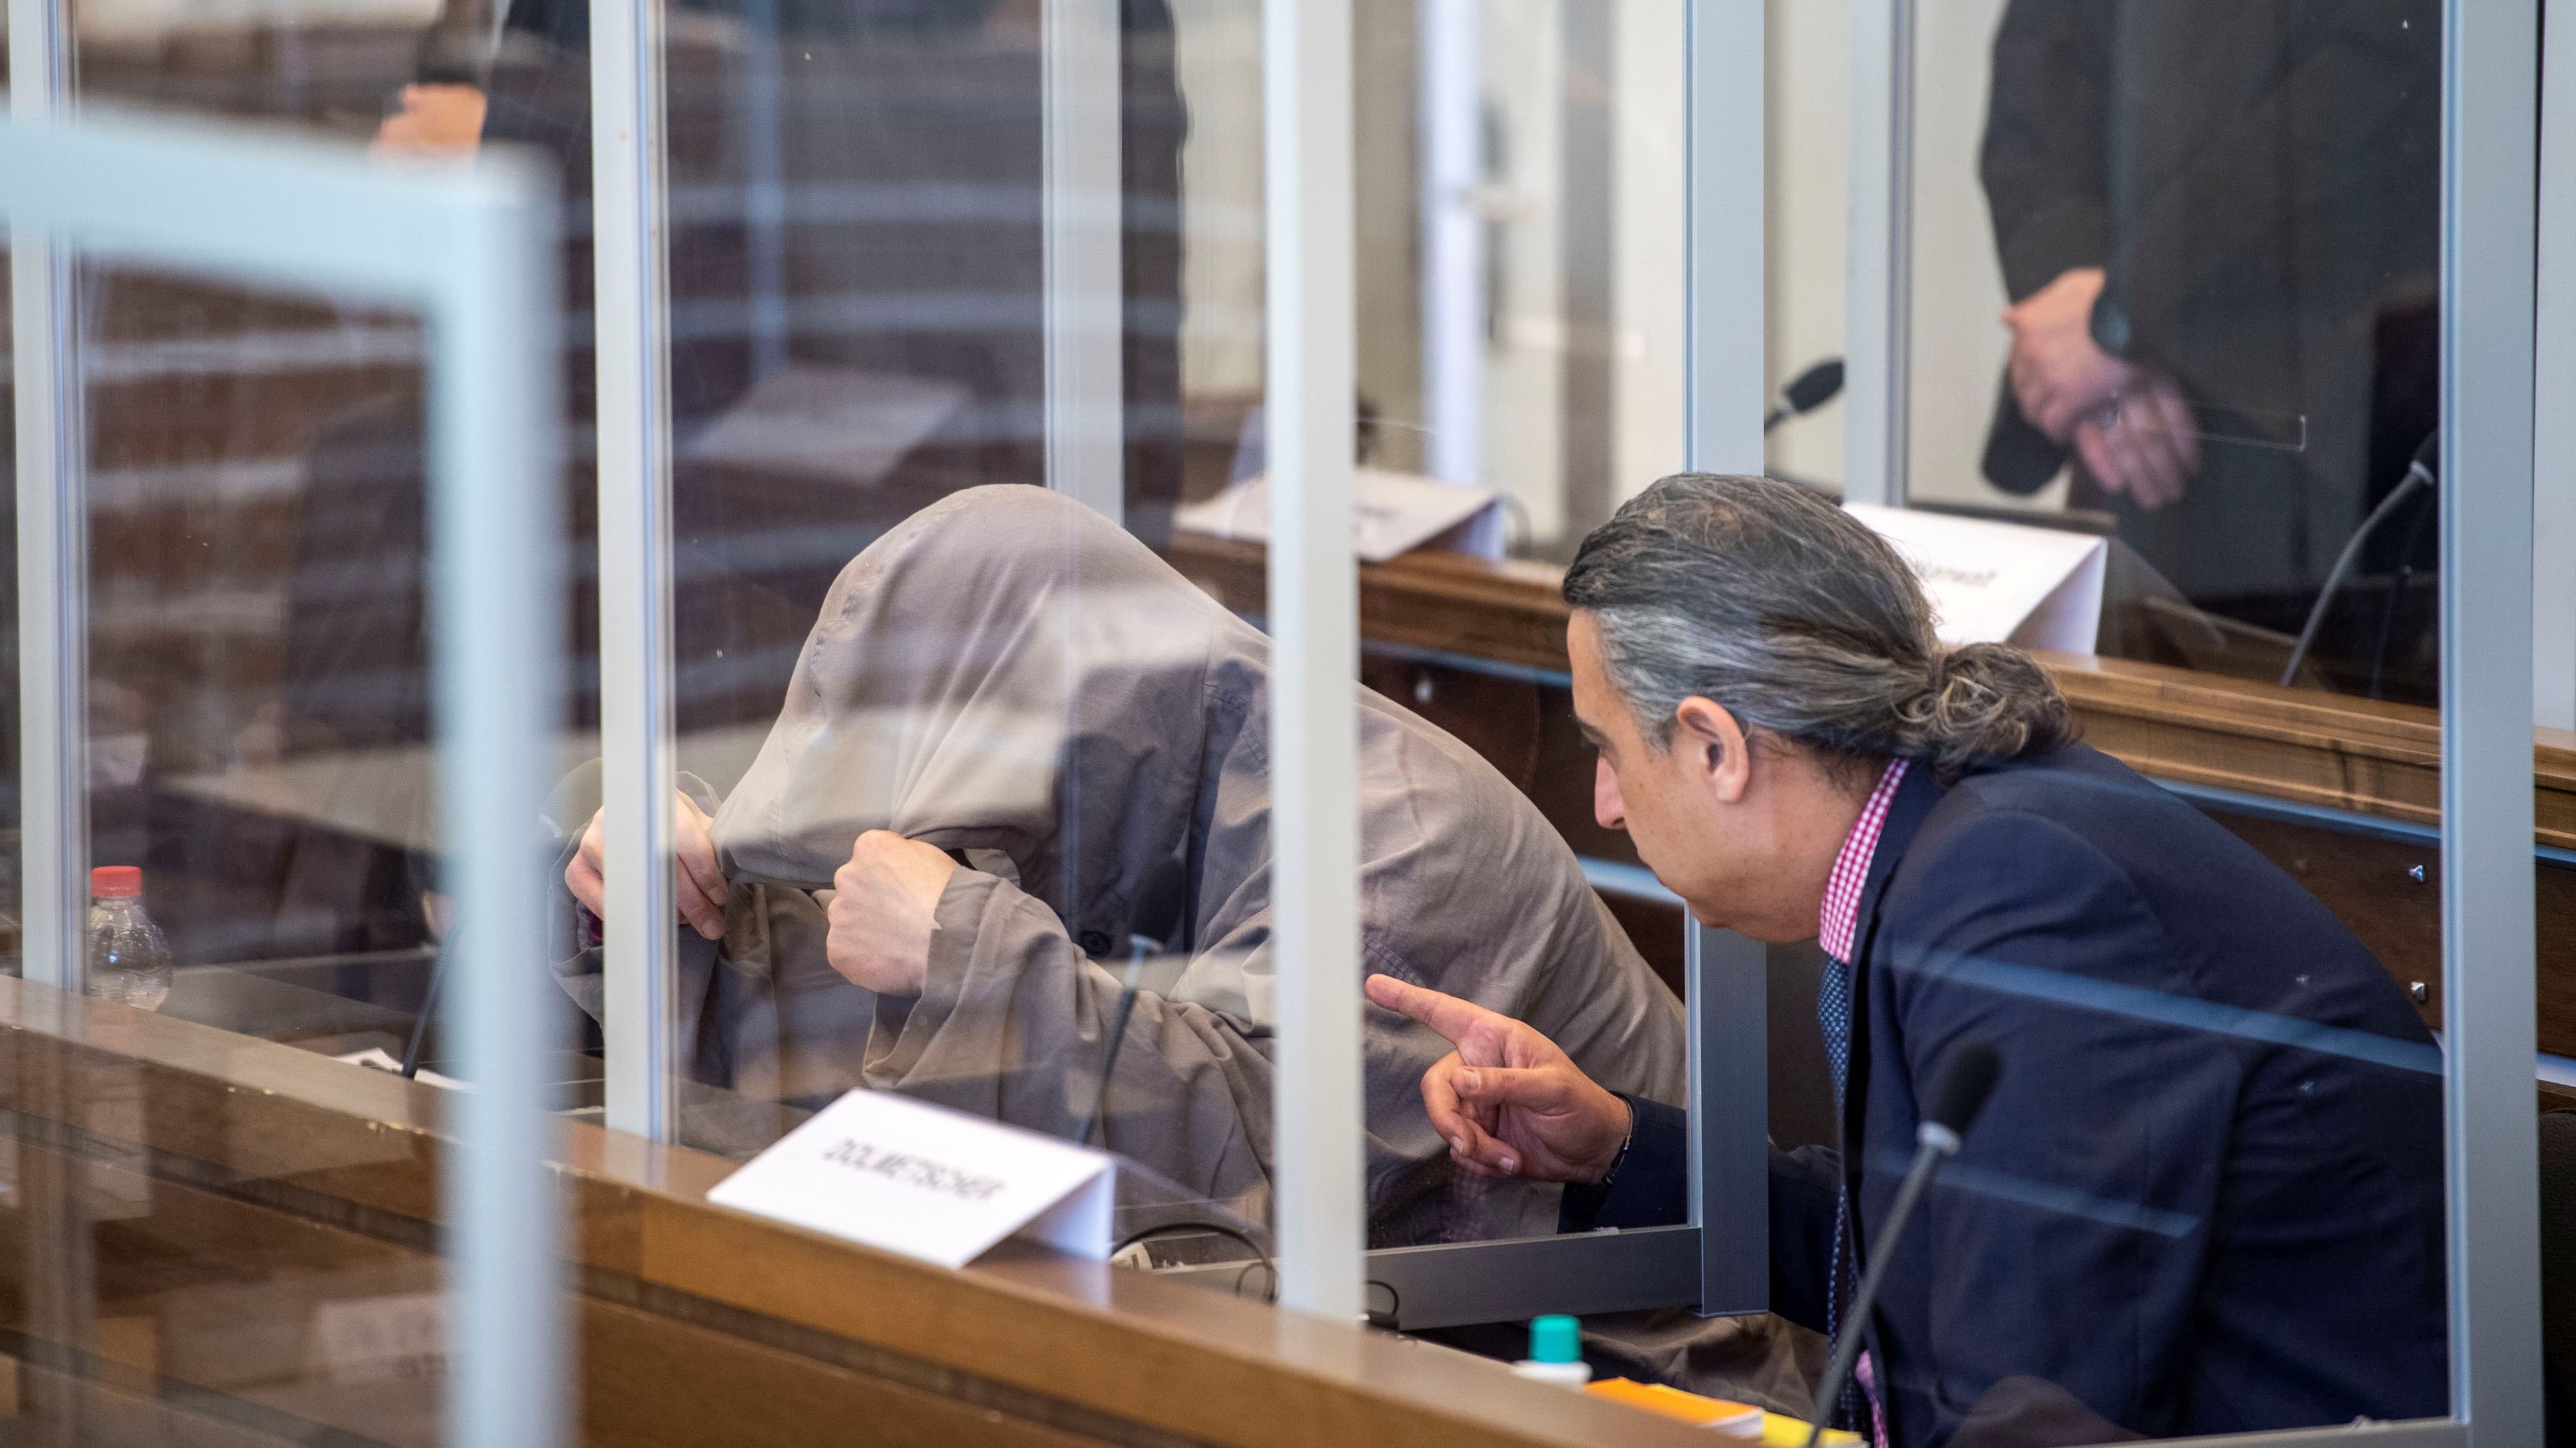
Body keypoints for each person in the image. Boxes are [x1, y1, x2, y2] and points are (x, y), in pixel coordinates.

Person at [1366, 473, 2446, 1443]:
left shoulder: (2019, 888)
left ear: (1715, 745)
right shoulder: (1954, 843)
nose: (1604, 802)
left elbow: (2040, 1399)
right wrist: (1610, 1143)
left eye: (1608, 748)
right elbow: (1925, 1244)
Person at [556, 484, 1687, 1246]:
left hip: (1623, 1340)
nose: (967, 852)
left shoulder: (1398, 831)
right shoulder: (1145, 780)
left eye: (976, 804)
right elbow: (878, 989)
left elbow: (1288, 1171)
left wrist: (960, 941)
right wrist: (668, 890)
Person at [1978, 0, 2440, 686]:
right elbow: (2039, 81)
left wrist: (2121, 316)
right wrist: (2087, 323)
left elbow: (2361, 89)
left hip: (2333, 416)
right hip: (2124, 432)